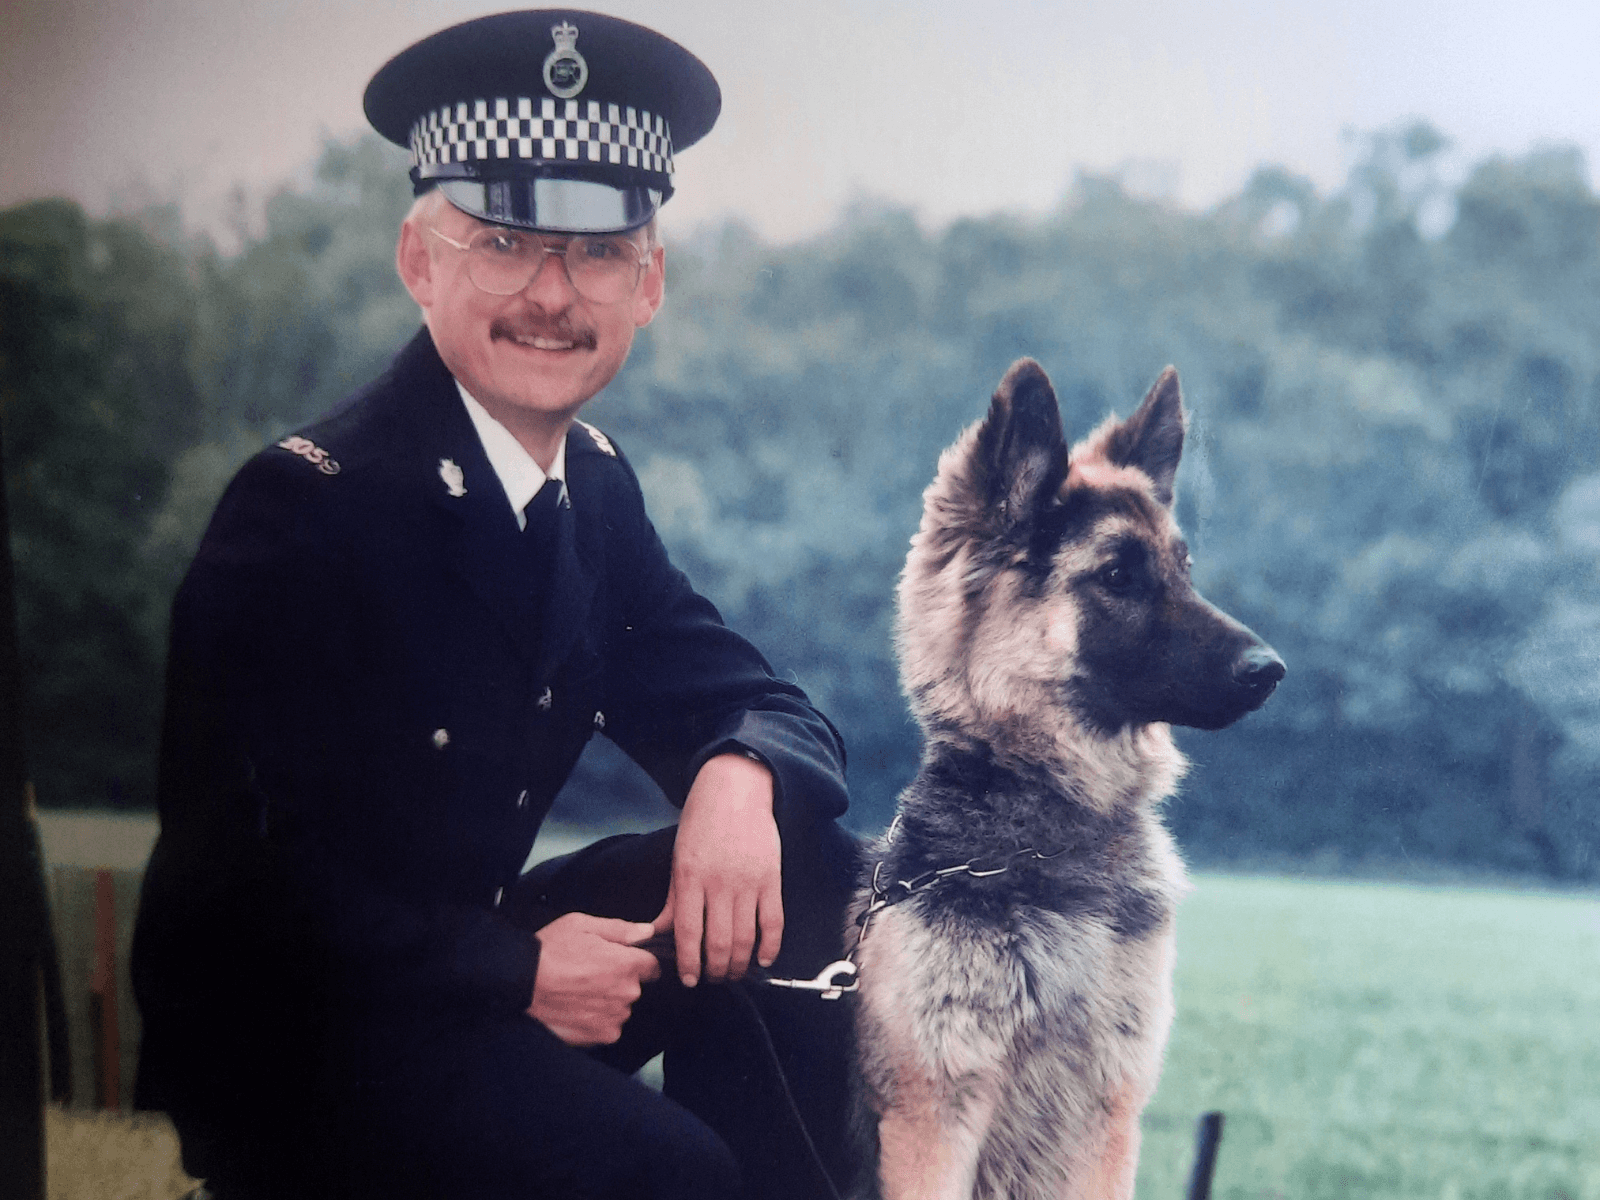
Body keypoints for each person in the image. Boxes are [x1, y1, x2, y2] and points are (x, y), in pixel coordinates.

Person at [131, 12, 858, 1200]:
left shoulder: (592, 491)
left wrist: (741, 775)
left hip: (455, 986)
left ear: (650, 281)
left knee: (808, 862)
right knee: (668, 1175)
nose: (551, 294)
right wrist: (511, 970)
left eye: (597, 254)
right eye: (506, 241)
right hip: (299, 1045)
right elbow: (239, 889)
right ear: (421, 262)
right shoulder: (308, 509)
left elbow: (752, 696)